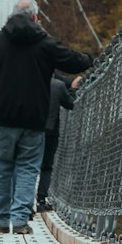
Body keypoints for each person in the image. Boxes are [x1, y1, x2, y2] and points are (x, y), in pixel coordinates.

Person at [0, 0, 92, 234]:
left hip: (0, 116)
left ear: (10, 16)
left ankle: (0, 218)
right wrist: (89, 58)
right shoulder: (46, 44)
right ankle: (20, 221)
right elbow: (74, 62)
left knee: (3, 169)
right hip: (34, 119)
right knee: (28, 169)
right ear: (36, 18)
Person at [36, 74, 82, 211]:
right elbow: (71, 103)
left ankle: (21, 203)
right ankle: (41, 200)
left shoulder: (29, 80)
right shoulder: (58, 85)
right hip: (50, 131)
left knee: (26, 165)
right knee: (46, 166)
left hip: (31, 129)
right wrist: (73, 89)